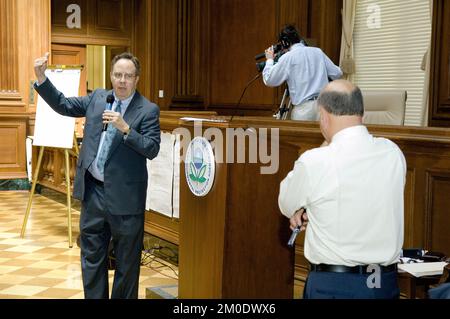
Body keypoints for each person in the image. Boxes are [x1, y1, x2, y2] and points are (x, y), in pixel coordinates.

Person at [33, 52, 161, 299]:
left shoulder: (147, 109)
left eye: (128, 76)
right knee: (91, 259)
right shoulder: (98, 99)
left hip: (126, 200)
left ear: (137, 79)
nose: (122, 80)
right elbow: (64, 104)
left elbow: (152, 148)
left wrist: (126, 129)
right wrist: (42, 78)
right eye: (117, 75)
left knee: (127, 264)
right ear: (111, 75)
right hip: (94, 193)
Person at [278, 79, 406, 299]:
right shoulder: (393, 153)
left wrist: (303, 207)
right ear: (362, 115)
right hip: (383, 284)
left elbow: (286, 203)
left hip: (334, 286)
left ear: (324, 116)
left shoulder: (315, 161)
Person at [263, 24, 342, 121]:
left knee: (302, 136)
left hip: (304, 111)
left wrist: (270, 60)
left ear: (284, 43)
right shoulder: (318, 52)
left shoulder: (288, 57)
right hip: (324, 107)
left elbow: (269, 79)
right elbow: (337, 73)